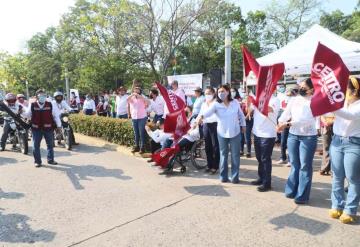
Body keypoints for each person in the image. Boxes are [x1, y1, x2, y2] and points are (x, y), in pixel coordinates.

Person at [278, 78, 319, 204]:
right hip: (293, 136)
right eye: (300, 86)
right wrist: (280, 122)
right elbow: (286, 113)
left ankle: (302, 195)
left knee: (305, 166)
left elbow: (306, 120)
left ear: (312, 89)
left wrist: (287, 124)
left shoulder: (315, 101)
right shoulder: (294, 99)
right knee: (295, 164)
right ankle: (291, 190)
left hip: (308, 136)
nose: (300, 89)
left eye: (303, 87)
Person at [198, 84, 246, 184]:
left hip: (235, 132)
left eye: (223, 91)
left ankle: (235, 177)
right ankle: (223, 177)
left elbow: (241, 115)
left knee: (235, 155)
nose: (221, 93)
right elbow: (207, 113)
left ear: (228, 92)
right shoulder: (216, 104)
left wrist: (243, 126)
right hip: (222, 133)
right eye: (219, 92)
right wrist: (200, 117)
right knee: (223, 155)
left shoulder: (235, 102)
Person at [329, 77, 360, 224]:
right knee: (337, 176)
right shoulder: (341, 102)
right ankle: (337, 206)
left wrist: (330, 106)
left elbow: (350, 116)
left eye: (345, 88)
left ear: (354, 90)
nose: (342, 90)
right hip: (336, 141)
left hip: (353, 144)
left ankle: (350, 210)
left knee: (353, 178)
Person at [247, 88, 280, 192]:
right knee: (259, 158)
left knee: (265, 158)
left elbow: (269, 109)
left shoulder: (275, 100)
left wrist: (256, 101)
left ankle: (267, 183)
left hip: (268, 134)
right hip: (257, 132)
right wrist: (249, 102)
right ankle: (261, 178)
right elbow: (250, 110)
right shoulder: (258, 98)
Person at [23, 89, 61, 167]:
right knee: (35, 146)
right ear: (37, 97)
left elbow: (56, 116)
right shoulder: (32, 105)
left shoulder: (50, 104)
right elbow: (27, 115)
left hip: (48, 128)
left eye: (44, 95)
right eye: (40, 96)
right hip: (36, 129)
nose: (42, 97)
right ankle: (37, 162)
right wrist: (21, 111)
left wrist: (59, 126)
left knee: (50, 145)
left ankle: (50, 160)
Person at [197, 87, 219, 174]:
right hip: (205, 125)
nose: (207, 95)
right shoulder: (204, 103)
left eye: (209, 93)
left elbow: (215, 115)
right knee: (207, 146)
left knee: (215, 147)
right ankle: (209, 164)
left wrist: (203, 118)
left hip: (215, 125)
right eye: (206, 93)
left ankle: (215, 166)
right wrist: (196, 122)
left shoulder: (217, 103)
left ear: (213, 94)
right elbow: (200, 114)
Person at [277, 86, 298, 166]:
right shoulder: (283, 98)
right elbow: (283, 113)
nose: (288, 93)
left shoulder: (296, 100)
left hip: (292, 124)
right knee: (283, 142)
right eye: (287, 92)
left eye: (290, 92)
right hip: (284, 124)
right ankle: (283, 157)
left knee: (290, 143)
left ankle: (290, 160)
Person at [127, 86, 149, 154]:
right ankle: (136, 146)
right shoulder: (132, 98)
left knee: (141, 133)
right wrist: (132, 94)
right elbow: (127, 100)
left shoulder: (143, 97)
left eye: (138, 90)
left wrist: (140, 97)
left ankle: (142, 148)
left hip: (142, 117)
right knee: (136, 133)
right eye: (135, 90)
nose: (136, 91)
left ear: (140, 90)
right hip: (134, 117)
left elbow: (148, 103)